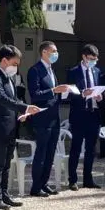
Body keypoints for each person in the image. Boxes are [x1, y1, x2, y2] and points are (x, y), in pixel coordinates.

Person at [0, 45, 39, 209]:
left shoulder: (8, 78)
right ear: (4, 60)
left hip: (10, 127)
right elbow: (1, 98)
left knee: (7, 164)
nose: (16, 67)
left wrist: (21, 113)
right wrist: (24, 107)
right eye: (14, 64)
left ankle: (4, 194)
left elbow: (13, 100)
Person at [27, 40, 71, 197]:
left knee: (50, 153)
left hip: (54, 117)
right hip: (42, 118)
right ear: (44, 52)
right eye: (53, 51)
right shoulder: (35, 70)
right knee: (41, 153)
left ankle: (44, 183)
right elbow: (35, 94)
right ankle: (36, 187)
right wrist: (54, 90)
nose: (56, 54)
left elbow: (54, 93)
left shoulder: (52, 70)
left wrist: (64, 92)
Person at [67, 43, 103, 190]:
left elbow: (101, 89)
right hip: (79, 115)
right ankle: (72, 180)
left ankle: (88, 179)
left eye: (95, 59)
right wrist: (82, 94)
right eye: (91, 58)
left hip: (93, 114)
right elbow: (69, 94)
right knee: (76, 148)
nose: (93, 61)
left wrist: (101, 97)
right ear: (84, 57)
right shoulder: (73, 72)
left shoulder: (97, 71)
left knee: (91, 149)